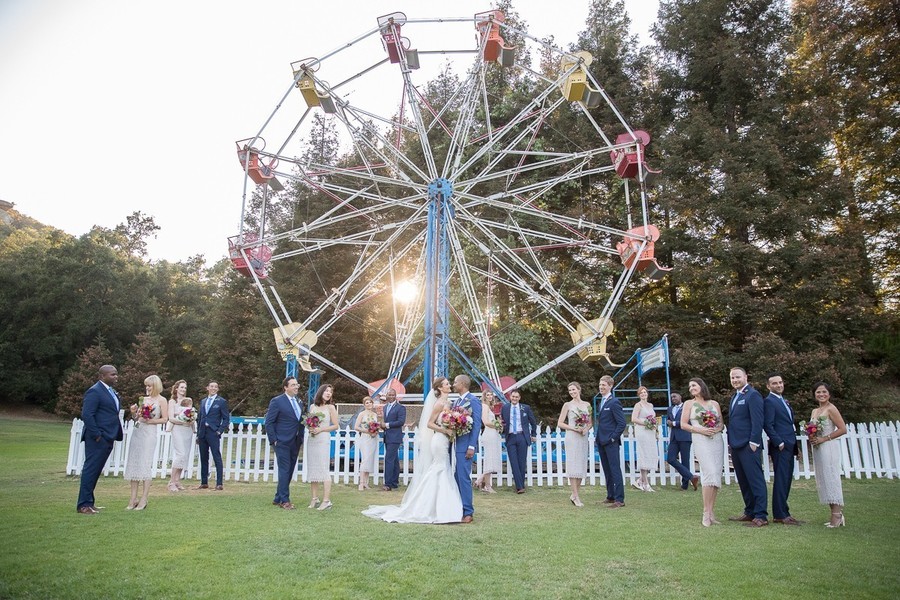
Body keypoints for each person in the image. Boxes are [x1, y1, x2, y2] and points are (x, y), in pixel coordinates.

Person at [362, 377, 463, 523]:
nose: (450, 385)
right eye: (447, 384)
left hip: (446, 440)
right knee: (439, 468)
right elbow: (429, 424)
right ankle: (430, 505)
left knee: (444, 468)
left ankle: (442, 505)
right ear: (440, 388)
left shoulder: (450, 403)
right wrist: (444, 430)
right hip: (439, 440)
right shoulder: (439, 403)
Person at [77, 365, 125, 514]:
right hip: (98, 438)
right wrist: (97, 434)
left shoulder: (111, 392)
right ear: (102, 376)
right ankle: (84, 505)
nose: (116, 377)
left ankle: (90, 502)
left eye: (116, 374)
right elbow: (87, 415)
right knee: (91, 470)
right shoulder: (94, 391)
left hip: (109, 435)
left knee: (96, 471)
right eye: (112, 375)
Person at [726, 367, 768, 527]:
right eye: (732, 378)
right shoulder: (735, 397)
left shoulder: (753, 395)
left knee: (755, 480)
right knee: (743, 481)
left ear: (745, 376)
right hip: (736, 445)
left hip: (748, 445)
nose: (735, 380)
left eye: (737, 377)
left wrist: (754, 443)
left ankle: (761, 515)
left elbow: (758, 421)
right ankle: (750, 511)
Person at [681, 378, 725, 527]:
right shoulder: (689, 404)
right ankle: (705, 512)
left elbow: (721, 423)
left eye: (693, 385)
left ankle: (712, 512)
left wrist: (715, 429)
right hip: (700, 440)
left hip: (716, 441)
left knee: (716, 474)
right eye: (689, 387)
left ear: (701, 386)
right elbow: (683, 424)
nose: (691, 388)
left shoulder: (714, 404)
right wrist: (701, 430)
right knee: (709, 472)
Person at [124, 375, 169, 510]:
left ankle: (144, 498)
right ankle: (132, 499)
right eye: (146, 385)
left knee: (145, 464)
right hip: (138, 432)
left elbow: (165, 419)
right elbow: (137, 417)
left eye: (149, 385)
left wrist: (151, 421)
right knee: (135, 463)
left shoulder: (162, 400)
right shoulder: (143, 399)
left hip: (150, 433)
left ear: (155, 386)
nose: (147, 388)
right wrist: (134, 414)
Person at [763, 373, 802, 525]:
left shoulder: (782, 401)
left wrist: (795, 446)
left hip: (789, 444)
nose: (779, 385)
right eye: (775, 383)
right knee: (781, 479)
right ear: (768, 386)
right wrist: (779, 442)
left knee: (786, 479)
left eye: (780, 382)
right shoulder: (769, 401)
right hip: (781, 446)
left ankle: (784, 512)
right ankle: (780, 514)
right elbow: (768, 424)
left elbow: (789, 425)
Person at [809, 382, 848, 528]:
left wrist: (824, 438)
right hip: (818, 447)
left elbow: (843, 429)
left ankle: (837, 516)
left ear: (829, 394)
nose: (821, 394)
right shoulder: (815, 411)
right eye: (818, 392)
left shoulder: (831, 409)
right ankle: (835, 514)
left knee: (831, 479)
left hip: (828, 446)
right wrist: (811, 437)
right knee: (824, 480)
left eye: (824, 392)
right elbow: (812, 429)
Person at [265, 377, 305, 510]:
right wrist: (274, 440)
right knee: (284, 469)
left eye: (297, 385)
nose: (296, 387)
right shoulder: (277, 401)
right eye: (293, 385)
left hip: (295, 440)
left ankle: (278, 497)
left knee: (289, 469)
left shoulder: (299, 402)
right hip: (281, 441)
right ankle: (285, 500)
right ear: (285, 387)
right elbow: (269, 422)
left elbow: (299, 421)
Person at [452, 374, 483, 522]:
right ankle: (458, 507)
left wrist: (472, 445)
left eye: (455, 382)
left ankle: (468, 511)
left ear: (463, 384)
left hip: (465, 446)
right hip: (455, 445)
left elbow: (476, 425)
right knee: (456, 477)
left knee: (464, 478)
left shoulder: (474, 401)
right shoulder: (457, 401)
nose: (453, 384)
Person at [557, 382, 591, 507]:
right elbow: (560, 423)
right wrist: (573, 428)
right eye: (570, 390)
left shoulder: (587, 405)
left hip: (583, 436)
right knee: (573, 464)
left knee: (581, 464)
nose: (572, 392)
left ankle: (575, 494)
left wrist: (585, 429)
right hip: (572, 436)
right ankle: (575, 496)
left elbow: (590, 422)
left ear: (579, 389)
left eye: (573, 389)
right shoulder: (567, 405)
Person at [306, 383, 339, 510]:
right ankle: (314, 498)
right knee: (313, 468)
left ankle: (326, 500)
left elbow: (335, 425)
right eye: (326, 391)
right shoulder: (312, 406)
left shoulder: (331, 408)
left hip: (323, 438)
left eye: (330, 392)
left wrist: (321, 429)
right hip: (312, 439)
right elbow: (309, 422)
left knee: (323, 469)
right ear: (321, 392)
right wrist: (311, 428)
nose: (328, 393)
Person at [595, 375, 626, 508]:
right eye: (600, 385)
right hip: (601, 441)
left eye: (604, 385)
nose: (601, 387)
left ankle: (620, 499)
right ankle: (611, 496)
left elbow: (622, 423)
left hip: (611, 442)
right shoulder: (601, 401)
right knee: (607, 470)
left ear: (610, 386)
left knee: (615, 470)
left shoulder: (614, 402)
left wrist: (613, 438)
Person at [500, 389, 536, 495]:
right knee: (513, 462)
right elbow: (502, 422)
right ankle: (520, 486)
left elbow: (533, 422)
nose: (514, 398)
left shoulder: (525, 408)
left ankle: (520, 486)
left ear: (519, 398)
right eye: (513, 396)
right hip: (510, 437)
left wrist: (533, 434)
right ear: (510, 397)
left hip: (522, 436)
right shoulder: (505, 408)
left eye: (516, 397)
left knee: (521, 461)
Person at [197, 381, 229, 491]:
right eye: (211, 386)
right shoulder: (203, 401)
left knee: (216, 456)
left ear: (218, 389)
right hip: (202, 432)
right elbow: (200, 418)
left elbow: (226, 418)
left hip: (213, 432)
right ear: (207, 388)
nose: (213, 388)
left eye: (216, 387)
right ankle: (204, 482)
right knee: (203, 457)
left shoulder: (221, 402)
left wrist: (219, 430)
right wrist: (198, 433)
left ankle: (219, 483)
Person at [166, 379, 195, 492]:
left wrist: (191, 420)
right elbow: (171, 418)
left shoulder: (188, 400)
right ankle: (171, 482)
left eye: (185, 388)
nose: (183, 390)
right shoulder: (173, 401)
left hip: (187, 430)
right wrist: (182, 421)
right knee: (180, 454)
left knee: (185, 455)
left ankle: (177, 480)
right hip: (177, 428)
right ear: (176, 388)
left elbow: (191, 415)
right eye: (181, 387)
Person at [666, 392, 698, 491]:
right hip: (674, 437)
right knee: (670, 459)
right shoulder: (670, 409)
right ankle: (691, 476)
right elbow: (669, 420)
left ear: (680, 396)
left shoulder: (687, 407)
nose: (673, 398)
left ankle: (685, 486)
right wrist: (668, 423)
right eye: (671, 397)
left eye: (675, 396)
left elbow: (689, 421)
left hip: (685, 436)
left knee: (685, 461)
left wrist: (674, 423)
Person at [631, 385, 659, 492]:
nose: (643, 394)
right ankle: (646, 483)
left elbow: (653, 418)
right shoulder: (638, 405)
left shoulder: (650, 405)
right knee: (643, 454)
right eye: (641, 393)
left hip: (650, 432)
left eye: (645, 392)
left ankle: (640, 480)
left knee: (650, 454)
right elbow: (634, 418)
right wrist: (646, 423)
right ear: (639, 395)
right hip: (642, 431)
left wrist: (653, 426)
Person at [380, 388, 407, 491]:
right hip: (387, 436)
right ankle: (394, 482)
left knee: (388, 459)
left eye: (393, 395)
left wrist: (386, 425)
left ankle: (387, 484)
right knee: (394, 460)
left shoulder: (401, 408)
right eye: (389, 395)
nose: (391, 396)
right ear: (386, 396)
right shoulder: (385, 407)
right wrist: (382, 426)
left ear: (395, 396)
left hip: (395, 437)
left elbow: (401, 422)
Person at [476, 389, 502, 493]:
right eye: (488, 395)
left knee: (491, 459)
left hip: (493, 434)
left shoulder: (490, 407)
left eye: (491, 395)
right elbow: (486, 422)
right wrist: (497, 424)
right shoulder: (484, 406)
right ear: (484, 396)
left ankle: (480, 481)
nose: (490, 396)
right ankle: (487, 485)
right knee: (489, 460)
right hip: (489, 433)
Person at [354, 396, 379, 491]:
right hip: (365, 438)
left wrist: (375, 431)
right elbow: (356, 427)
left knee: (370, 460)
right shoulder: (362, 414)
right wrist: (367, 431)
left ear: (372, 403)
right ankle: (361, 483)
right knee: (365, 459)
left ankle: (366, 482)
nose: (369, 404)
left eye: (370, 402)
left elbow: (376, 426)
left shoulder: (374, 415)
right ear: (364, 405)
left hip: (373, 438)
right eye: (367, 403)